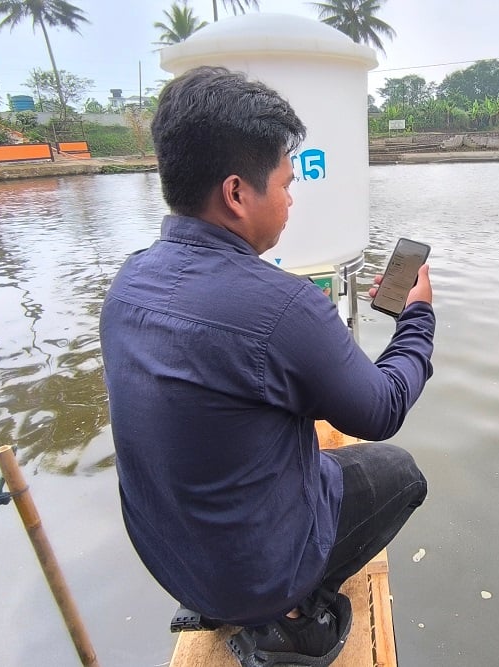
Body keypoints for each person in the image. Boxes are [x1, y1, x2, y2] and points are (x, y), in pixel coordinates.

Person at [100, 66, 435, 667]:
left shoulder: (128, 282)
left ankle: (241, 599)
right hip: (253, 576)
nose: (290, 198)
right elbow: (382, 408)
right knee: (400, 474)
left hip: (169, 562)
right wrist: (417, 318)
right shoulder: (282, 306)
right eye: (285, 182)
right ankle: (293, 617)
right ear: (236, 194)